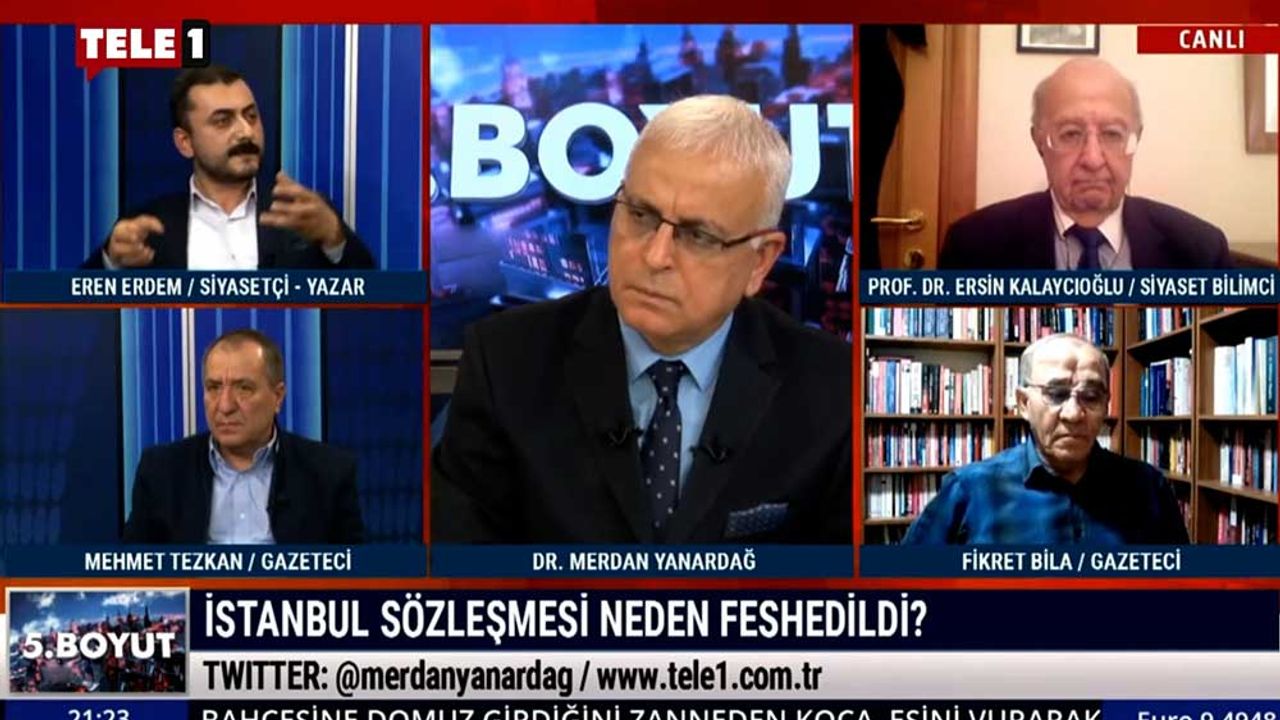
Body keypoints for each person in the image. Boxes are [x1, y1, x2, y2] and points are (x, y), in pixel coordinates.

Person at [432, 95, 852, 544]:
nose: (655, 256)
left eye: (698, 235)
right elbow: (460, 568)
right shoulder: (504, 361)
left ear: (760, 261)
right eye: (640, 215)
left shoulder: (832, 388)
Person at [939, 58, 1230, 270]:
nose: (1093, 159)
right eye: (1070, 134)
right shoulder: (973, 247)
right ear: (1039, 143)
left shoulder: (1201, 252)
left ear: (1135, 139)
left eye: (1112, 134)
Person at [903, 333, 1189, 544]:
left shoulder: (1149, 487)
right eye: (1056, 394)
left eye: (1091, 396)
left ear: (1106, 404)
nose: (1074, 414)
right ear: (1023, 404)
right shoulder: (970, 489)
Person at [83, 65, 374, 270]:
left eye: (251, 116)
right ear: (185, 142)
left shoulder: (304, 215)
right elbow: (78, 297)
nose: (246, 132)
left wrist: (335, 237)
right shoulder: (148, 226)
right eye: (223, 121)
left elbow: (372, 290)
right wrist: (111, 261)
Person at [123, 328, 364, 544]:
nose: (225, 406)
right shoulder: (162, 471)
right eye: (214, 387)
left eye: (244, 388)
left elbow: (356, 571)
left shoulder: (329, 473)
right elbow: (132, 570)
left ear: (278, 396)